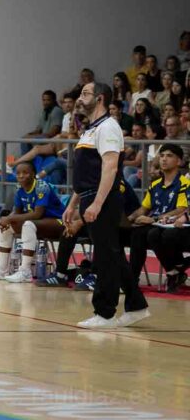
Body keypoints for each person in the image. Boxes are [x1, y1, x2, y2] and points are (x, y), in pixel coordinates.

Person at [62, 82, 149, 329]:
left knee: (105, 256)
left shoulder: (108, 127)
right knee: (112, 253)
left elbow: (109, 168)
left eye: (85, 94)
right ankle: (137, 306)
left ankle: (105, 313)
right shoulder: (90, 129)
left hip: (104, 198)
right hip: (89, 196)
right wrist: (73, 204)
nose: (80, 98)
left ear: (99, 98)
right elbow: (85, 173)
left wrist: (97, 203)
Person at [0, 162, 68, 283]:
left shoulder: (42, 186)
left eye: (25, 173)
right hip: (38, 223)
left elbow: (37, 214)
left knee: (28, 224)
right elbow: (17, 212)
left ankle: (25, 271)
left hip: (58, 221)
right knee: (6, 227)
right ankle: (1, 269)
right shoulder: (19, 188)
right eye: (18, 173)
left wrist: (9, 218)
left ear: (33, 174)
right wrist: (6, 220)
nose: (21, 176)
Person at [127, 144, 187, 283]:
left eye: (169, 156)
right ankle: (132, 278)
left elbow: (181, 210)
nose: (164, 159)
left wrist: (154, 219)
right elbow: (144, 208)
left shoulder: (184, 183)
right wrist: (130, 218)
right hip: (156, 224)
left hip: (174, 226)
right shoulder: (155, 184)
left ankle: (173, 271)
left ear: (179, 161)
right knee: (137, 233)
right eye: (162, 156)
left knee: (153, 234)